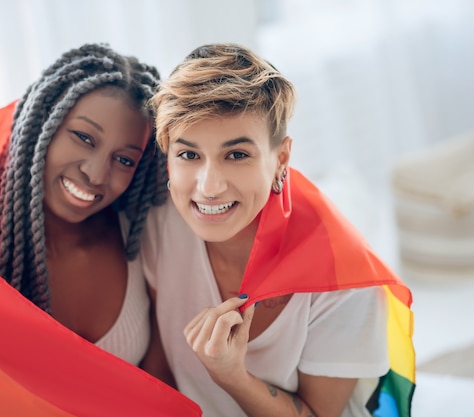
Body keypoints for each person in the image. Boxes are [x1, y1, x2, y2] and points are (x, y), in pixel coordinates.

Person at [0, 44, 200, 416]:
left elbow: (158, 383)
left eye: (124, 159)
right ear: (42, 125)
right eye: (84, 137)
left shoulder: (136, 234)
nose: (96, 174)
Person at [143, 43, 415, 417]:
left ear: (280, 160)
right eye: (188, 154)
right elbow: (157, 374)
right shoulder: (160, 225)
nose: (208, 187)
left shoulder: (344, 278)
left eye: (237, 155)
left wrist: (232, 376)